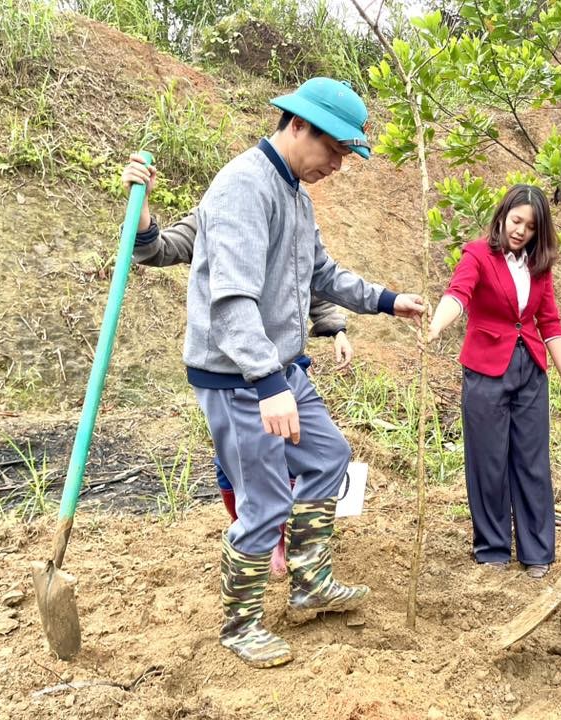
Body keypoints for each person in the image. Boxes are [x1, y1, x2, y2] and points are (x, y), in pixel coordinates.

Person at [180, 77, 424, 668]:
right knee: (262, 502)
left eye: (344, 154)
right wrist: (267, 386)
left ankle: (311, 580)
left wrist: (389, 300)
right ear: (297, 126)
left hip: (282, 367)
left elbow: (323, 274)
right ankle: (240, 626)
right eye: (334, 150)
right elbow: (232, 302)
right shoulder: (245, 185)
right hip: (239, 376)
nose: (337, 165)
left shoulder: (295, 195)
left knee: (328, 456)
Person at [121, 157, 354, 577]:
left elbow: (306, 277)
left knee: (297, 456)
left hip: (284, 362)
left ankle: (288, 545)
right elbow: (158, 250)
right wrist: (141, 213)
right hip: (236, 370)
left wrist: (333, 325)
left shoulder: (289, 203)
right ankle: (263, 543)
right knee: (242, 469)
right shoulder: (228, 204)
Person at [426, 185, 561, 579]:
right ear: (503, 215)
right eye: (516, 221)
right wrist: (434, 327)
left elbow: (549, 321)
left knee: (532, 461)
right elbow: (458, 295)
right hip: (485, 369)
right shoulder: (478, 254)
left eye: (530, 227)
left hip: (530, 367)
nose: (520, 231)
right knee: (489, 460)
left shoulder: (539, 264)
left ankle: (536, 552)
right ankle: (493, 548)